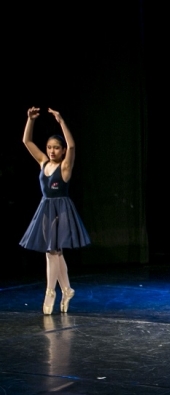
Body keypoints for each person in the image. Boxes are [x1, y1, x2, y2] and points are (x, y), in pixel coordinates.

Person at [19, 107, 90, 314]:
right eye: (49, 147)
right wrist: (30, 121)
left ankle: (51, 291)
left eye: (56, 148)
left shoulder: (65, 167)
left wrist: (61, 121)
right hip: (46, 209)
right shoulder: (43, 162)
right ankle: (66, 289)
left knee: (52, 253)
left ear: (61, 150)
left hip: (62, 211)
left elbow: (73, 145)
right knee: (55, 254)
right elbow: (27, 142)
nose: (52, 151)